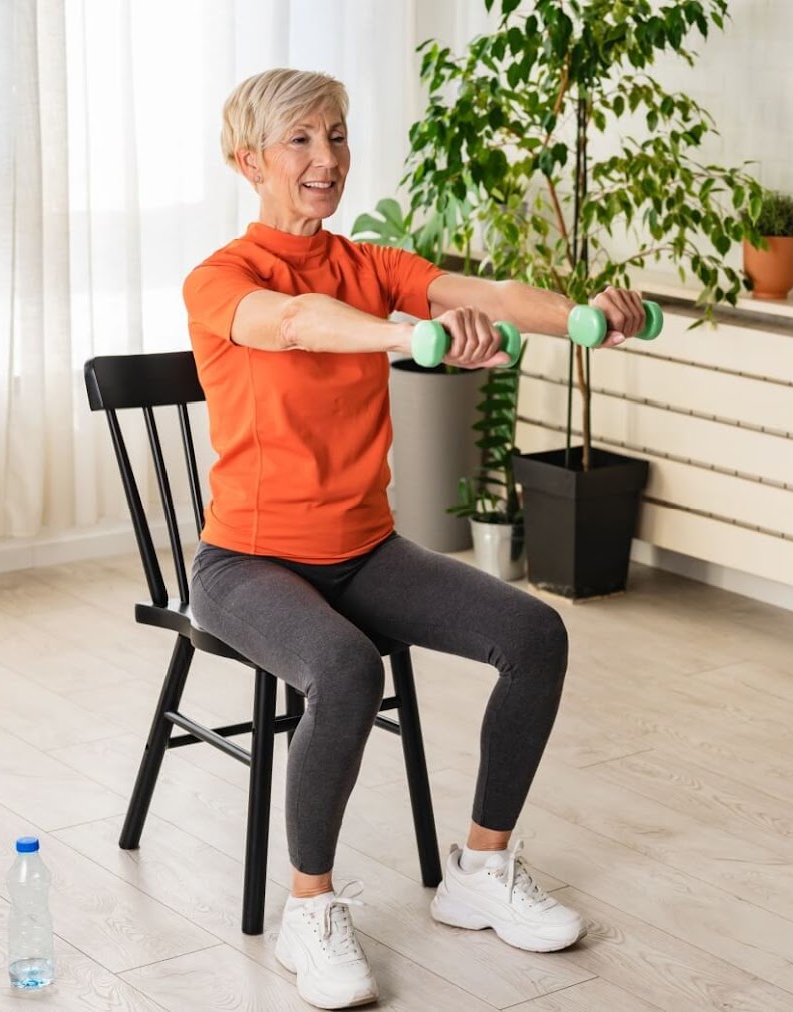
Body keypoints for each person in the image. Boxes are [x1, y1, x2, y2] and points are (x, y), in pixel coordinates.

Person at [182, 68, 647, 1010]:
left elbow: (490, 293)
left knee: (533, 636)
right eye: (302, 141)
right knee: (346, 668)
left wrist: (588, 318)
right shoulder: (222, 279)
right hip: (246, 562)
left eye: (339, 136)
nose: (328, 160)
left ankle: (479, 869)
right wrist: (407, 340)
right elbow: (302, 325)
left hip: (362, 551)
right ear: (249, 161)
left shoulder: (372, 262)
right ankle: (308, 914)